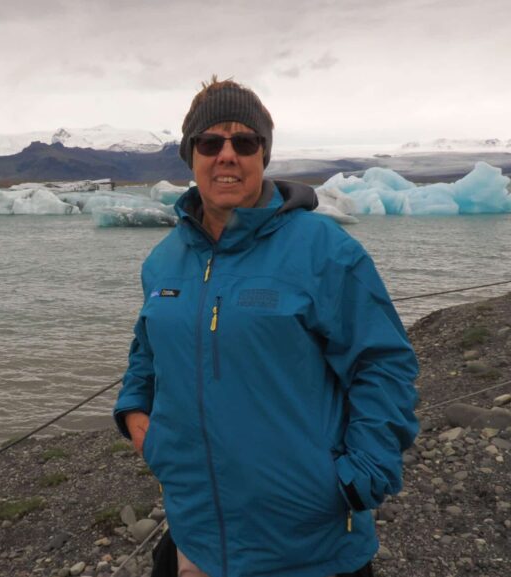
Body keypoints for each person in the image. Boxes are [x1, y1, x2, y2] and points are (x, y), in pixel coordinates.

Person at [113, 77, 420, 577]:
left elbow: (382, 364)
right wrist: (135, 415)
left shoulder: (323, 249)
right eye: (210, 142)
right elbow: (146, 350)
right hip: (197, 532)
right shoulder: (164, 260)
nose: (227, 155)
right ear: (191, 156)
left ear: (264, 154)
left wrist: (358, 476)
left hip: (309, 546)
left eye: (245, 142)